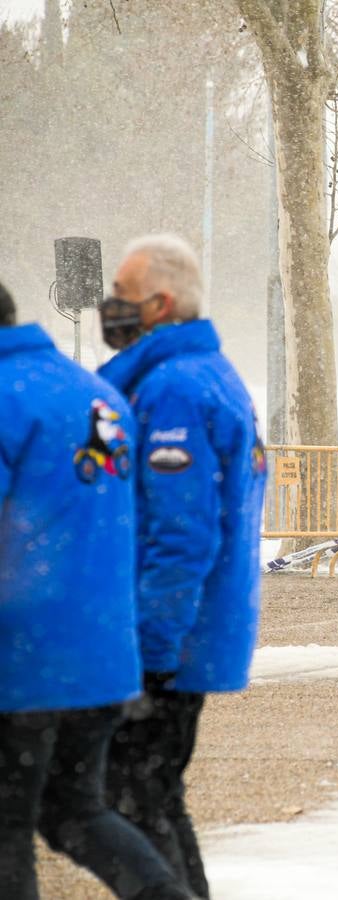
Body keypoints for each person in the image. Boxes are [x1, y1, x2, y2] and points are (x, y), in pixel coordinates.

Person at [0, 282, 193, 900]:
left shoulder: (6, 398)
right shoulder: (94, 393)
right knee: (74, 812)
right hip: (103, 655)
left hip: (22, 661)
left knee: (6, 829)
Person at [95, 235, 267, 900]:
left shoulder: (171, 390)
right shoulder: (203, 374)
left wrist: (152, 652)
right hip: (184, 631)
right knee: (153, 799)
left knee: (132, 801)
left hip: (166, 639)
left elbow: (182, 536)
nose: (110, 307)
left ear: (160, 304)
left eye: (121, 294)